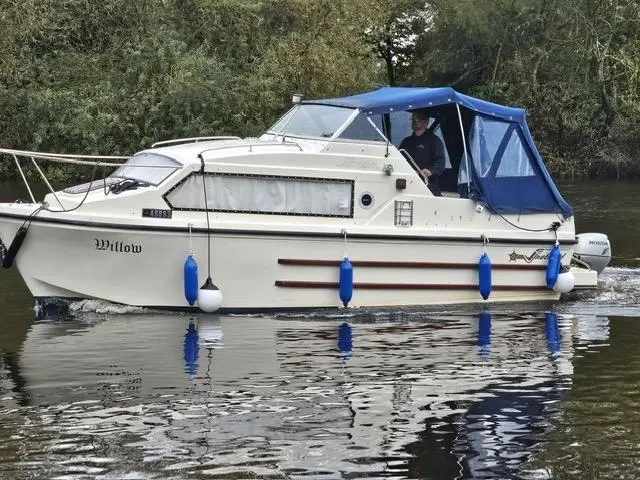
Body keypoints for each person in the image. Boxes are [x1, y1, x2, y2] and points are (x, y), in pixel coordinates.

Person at [399, 110, 446, 196]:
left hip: (429, 187)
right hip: (408, 186)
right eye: (411, 119)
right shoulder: (406, 142)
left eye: (415, 120)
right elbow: (399, 161)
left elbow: (440, 162)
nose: (412, 122)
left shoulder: (435, 141)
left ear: (426, 122)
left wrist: (430, 171)